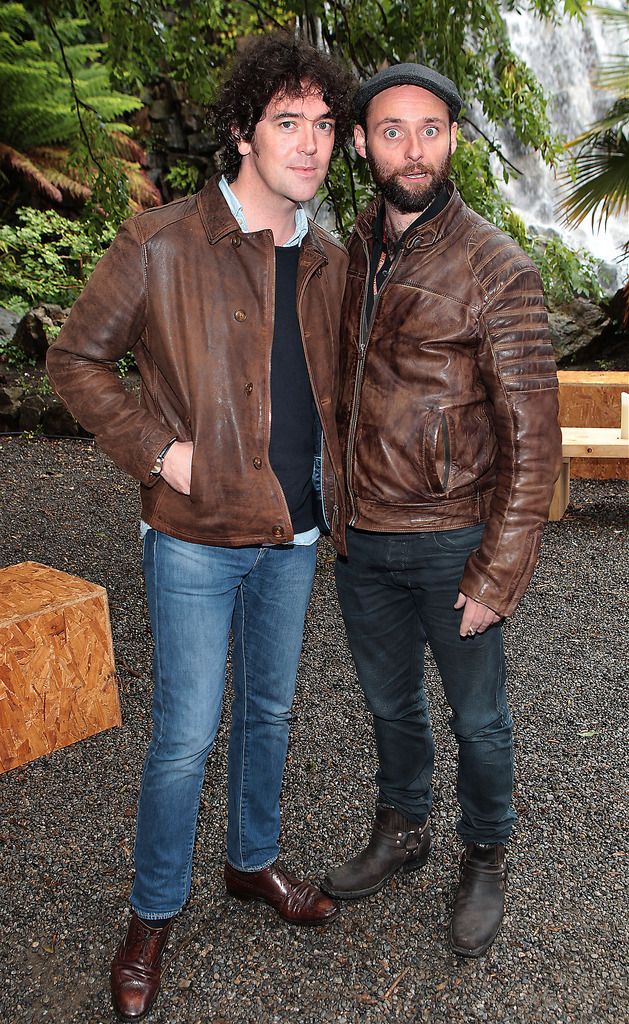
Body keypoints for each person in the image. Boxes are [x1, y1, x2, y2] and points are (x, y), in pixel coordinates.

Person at [47, 33, 355, 1021]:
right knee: (184, 733)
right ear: (240, 131)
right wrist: (160, 453)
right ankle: (150, 913)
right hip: (191, 532)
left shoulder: (331, 259)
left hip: (294, 531)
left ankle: (250, 862)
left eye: (323, 126)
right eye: (287, 122)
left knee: (269, 713)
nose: (309, 143)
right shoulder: (163, 242)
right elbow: (76, 360)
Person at [322, 63, 562, 959]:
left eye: (430, 129)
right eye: (392, 131)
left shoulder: (496, 267)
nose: (412, 149)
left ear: (453, 138)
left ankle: (485, 851)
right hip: (363, 543)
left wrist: (499, 572)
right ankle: (404, 824)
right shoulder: (352, 252)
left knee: (479, 720)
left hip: (453, 539)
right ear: (361, 143)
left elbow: (534, 439)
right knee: (389, 705)